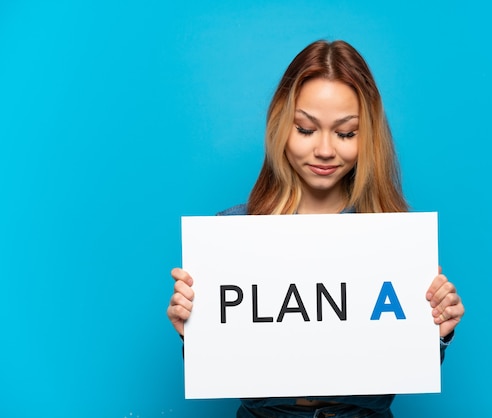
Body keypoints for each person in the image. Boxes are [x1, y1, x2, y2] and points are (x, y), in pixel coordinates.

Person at [167, 39, 465, 418]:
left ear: (368, 135)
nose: (325, 150)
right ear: (280, 126)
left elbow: (399, 364)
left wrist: (437, 332)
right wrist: (192, 328)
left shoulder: (395, 240)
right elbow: (224, 363)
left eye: (346, 133)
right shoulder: (232, 233)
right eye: (306, 129)